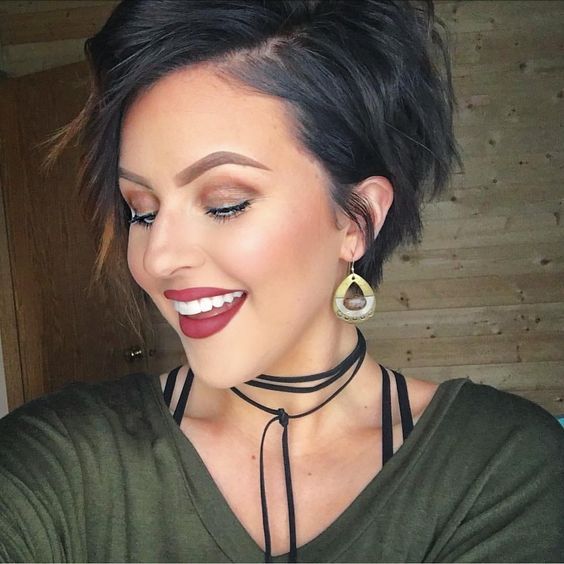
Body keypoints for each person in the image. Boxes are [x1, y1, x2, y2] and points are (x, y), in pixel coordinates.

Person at [1, 0, 563, 562]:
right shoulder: (56, 459)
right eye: (142, 211)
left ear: (356, 220)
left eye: (224, 203)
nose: (158, 257)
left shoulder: (500, 466)